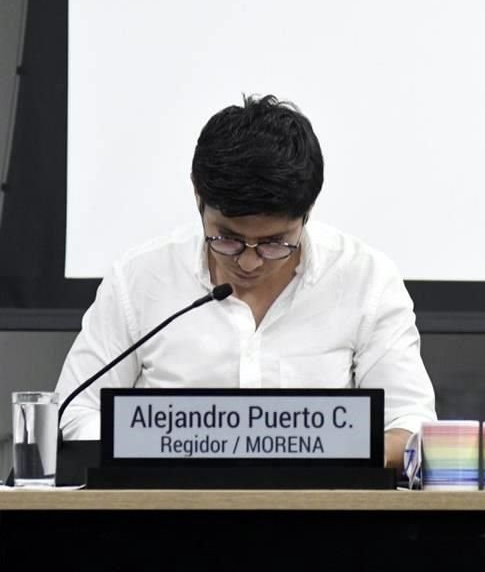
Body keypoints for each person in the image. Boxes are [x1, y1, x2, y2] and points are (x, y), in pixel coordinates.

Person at [55, 95, 436, 467]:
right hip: (168, 519)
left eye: (274, 243)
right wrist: (175, 446)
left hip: (317, 521)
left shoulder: (365, 279)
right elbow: (74, 412)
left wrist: (308, 451)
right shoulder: (139, 277)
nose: (250, 262)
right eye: (228, 238)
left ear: (308, 212)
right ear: (197, 194)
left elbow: (412, 428)